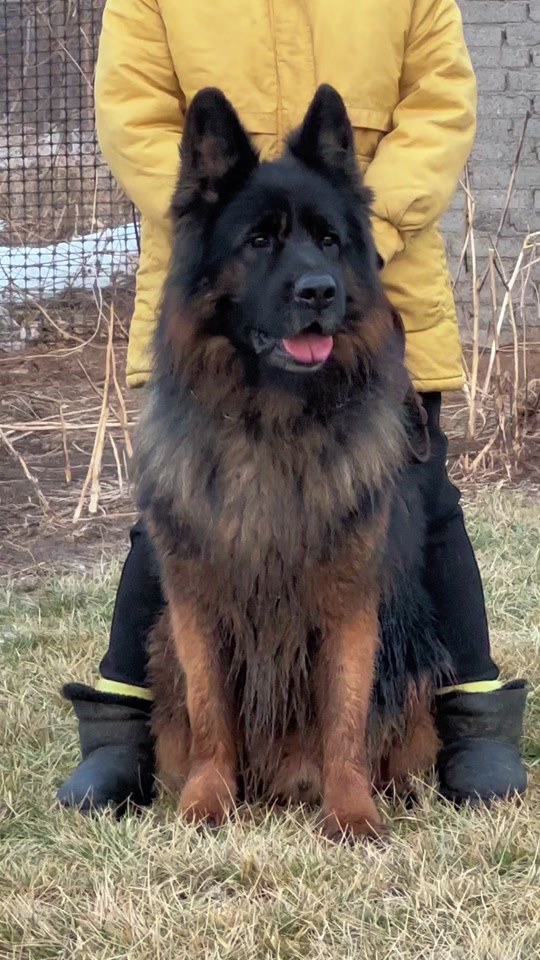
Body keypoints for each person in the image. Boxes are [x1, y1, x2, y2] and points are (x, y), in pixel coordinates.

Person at [57, 0, 528, 813]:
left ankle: (473, 725)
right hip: (216, 297)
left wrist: (363, 225)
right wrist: (211, 207)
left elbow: (442, 102)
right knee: (171, 525)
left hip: (374, 277)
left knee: (426, 502)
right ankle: (123, 737)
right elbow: (131, 108)